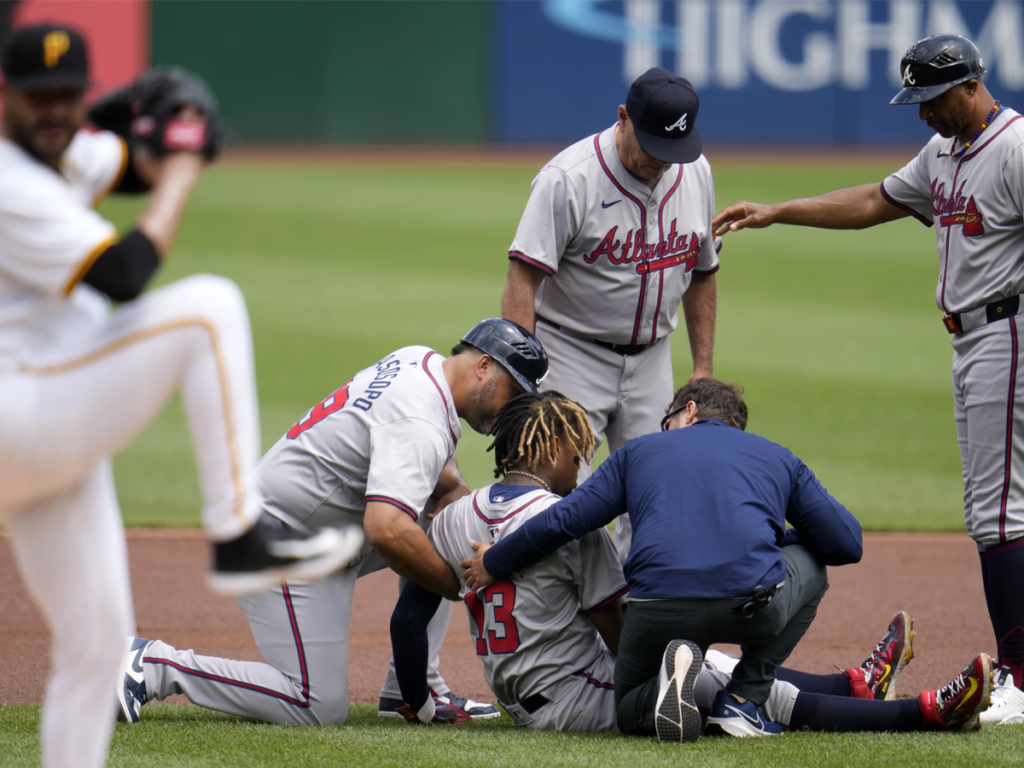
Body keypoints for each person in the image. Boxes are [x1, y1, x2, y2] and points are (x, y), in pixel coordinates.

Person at [0, 24, 359, 768]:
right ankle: (237, 536)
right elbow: (124, 272)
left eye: (69, 97)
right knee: (208, 309)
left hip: (53, 428)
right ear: (5, 98)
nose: (55, 112)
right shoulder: (11, 181)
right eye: (39, 99)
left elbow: (128, 160)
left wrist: (173, 129)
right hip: (23, 412)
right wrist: (183, 167)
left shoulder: (62, 150)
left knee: (97, 644)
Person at [712, 34, 1024, 709]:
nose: (921, 114)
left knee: (1001, 513)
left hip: (1011, 332)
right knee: (999, 510)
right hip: (976, 339)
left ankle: (1018, 678)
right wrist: (778, 211)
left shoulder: (1017, 149)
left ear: (971, 85)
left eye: (931, 99)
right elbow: (875, 201)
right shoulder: (945, 153)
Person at [396, 393, 991, 734]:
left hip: (518, 696)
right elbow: (616, 627)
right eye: (577, 456)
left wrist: (419, 701)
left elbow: (410, 614)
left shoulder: (450, 520)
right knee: (728, 682)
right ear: (550, 447)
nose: (581, 469)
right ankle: (924, 711)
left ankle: (854, 683)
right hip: (581, 695)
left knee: (705, 664)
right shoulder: (572, 528)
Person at [116, 319, 548, 727]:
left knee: (451, 525)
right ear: (484, 366)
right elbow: (386, 528)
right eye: (514, 392)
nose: (512, 410)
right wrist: (456, 584)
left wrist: (455, 495)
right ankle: (152, 665)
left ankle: (410, 689)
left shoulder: (419, 361)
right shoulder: (420, 420)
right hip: (273, 539)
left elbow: (416, 449)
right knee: (315, 703)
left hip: (304, 526)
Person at [462, 379, 863, 741]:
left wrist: (495, 561)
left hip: (658, 609)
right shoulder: (776, 456)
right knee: (811, 559)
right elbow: (846, 543)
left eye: (666, 421)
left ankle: (665, 685)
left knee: (629, 710)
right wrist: (772, 536)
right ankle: (743, 700)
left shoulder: (638, 451)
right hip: (750, 606)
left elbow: (564, 521)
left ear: (687, 410)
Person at [500, 66, 719, 562]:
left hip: (653, 362)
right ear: (623, 118)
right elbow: (522, 279)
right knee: (550, 496)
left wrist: (702, 367)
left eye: (673, 152)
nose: (662, 164)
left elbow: (703, 270)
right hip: (570, 353)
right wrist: (524, 379)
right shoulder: (567, 179)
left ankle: (637, 630)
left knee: (657, 502)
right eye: (652, 149)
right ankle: (550, 632)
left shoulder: (696, 171)